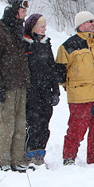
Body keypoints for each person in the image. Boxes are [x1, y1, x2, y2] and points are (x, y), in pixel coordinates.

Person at [56, 11, 94, 165]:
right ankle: (69, 157)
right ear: (80, 25)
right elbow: (60, 70)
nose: (93, 24)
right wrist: (69, 86)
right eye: (89, 21)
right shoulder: (68, 45)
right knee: (76, 129)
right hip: (80, 96)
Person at [0, 0, 31, 172]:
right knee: (7, 124)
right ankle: (3, 160)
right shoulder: (0, 32)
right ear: (14, 12)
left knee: (20, 123)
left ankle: (16, 158)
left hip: (21, 84)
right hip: (7, 86)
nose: (25, 15)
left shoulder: (18, 31)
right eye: (22, 12)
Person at [22, 13, 60, 166]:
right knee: (33, 123)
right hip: (31, 91)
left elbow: (52, 68)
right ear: (33, 28)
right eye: (42, 26)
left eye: (45, 26)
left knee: (45, 123)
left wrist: (55, 91)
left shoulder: (46, 44)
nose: (45, 29)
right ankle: (29, 152)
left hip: (45, 90)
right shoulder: (25, 44)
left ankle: (40, 152)